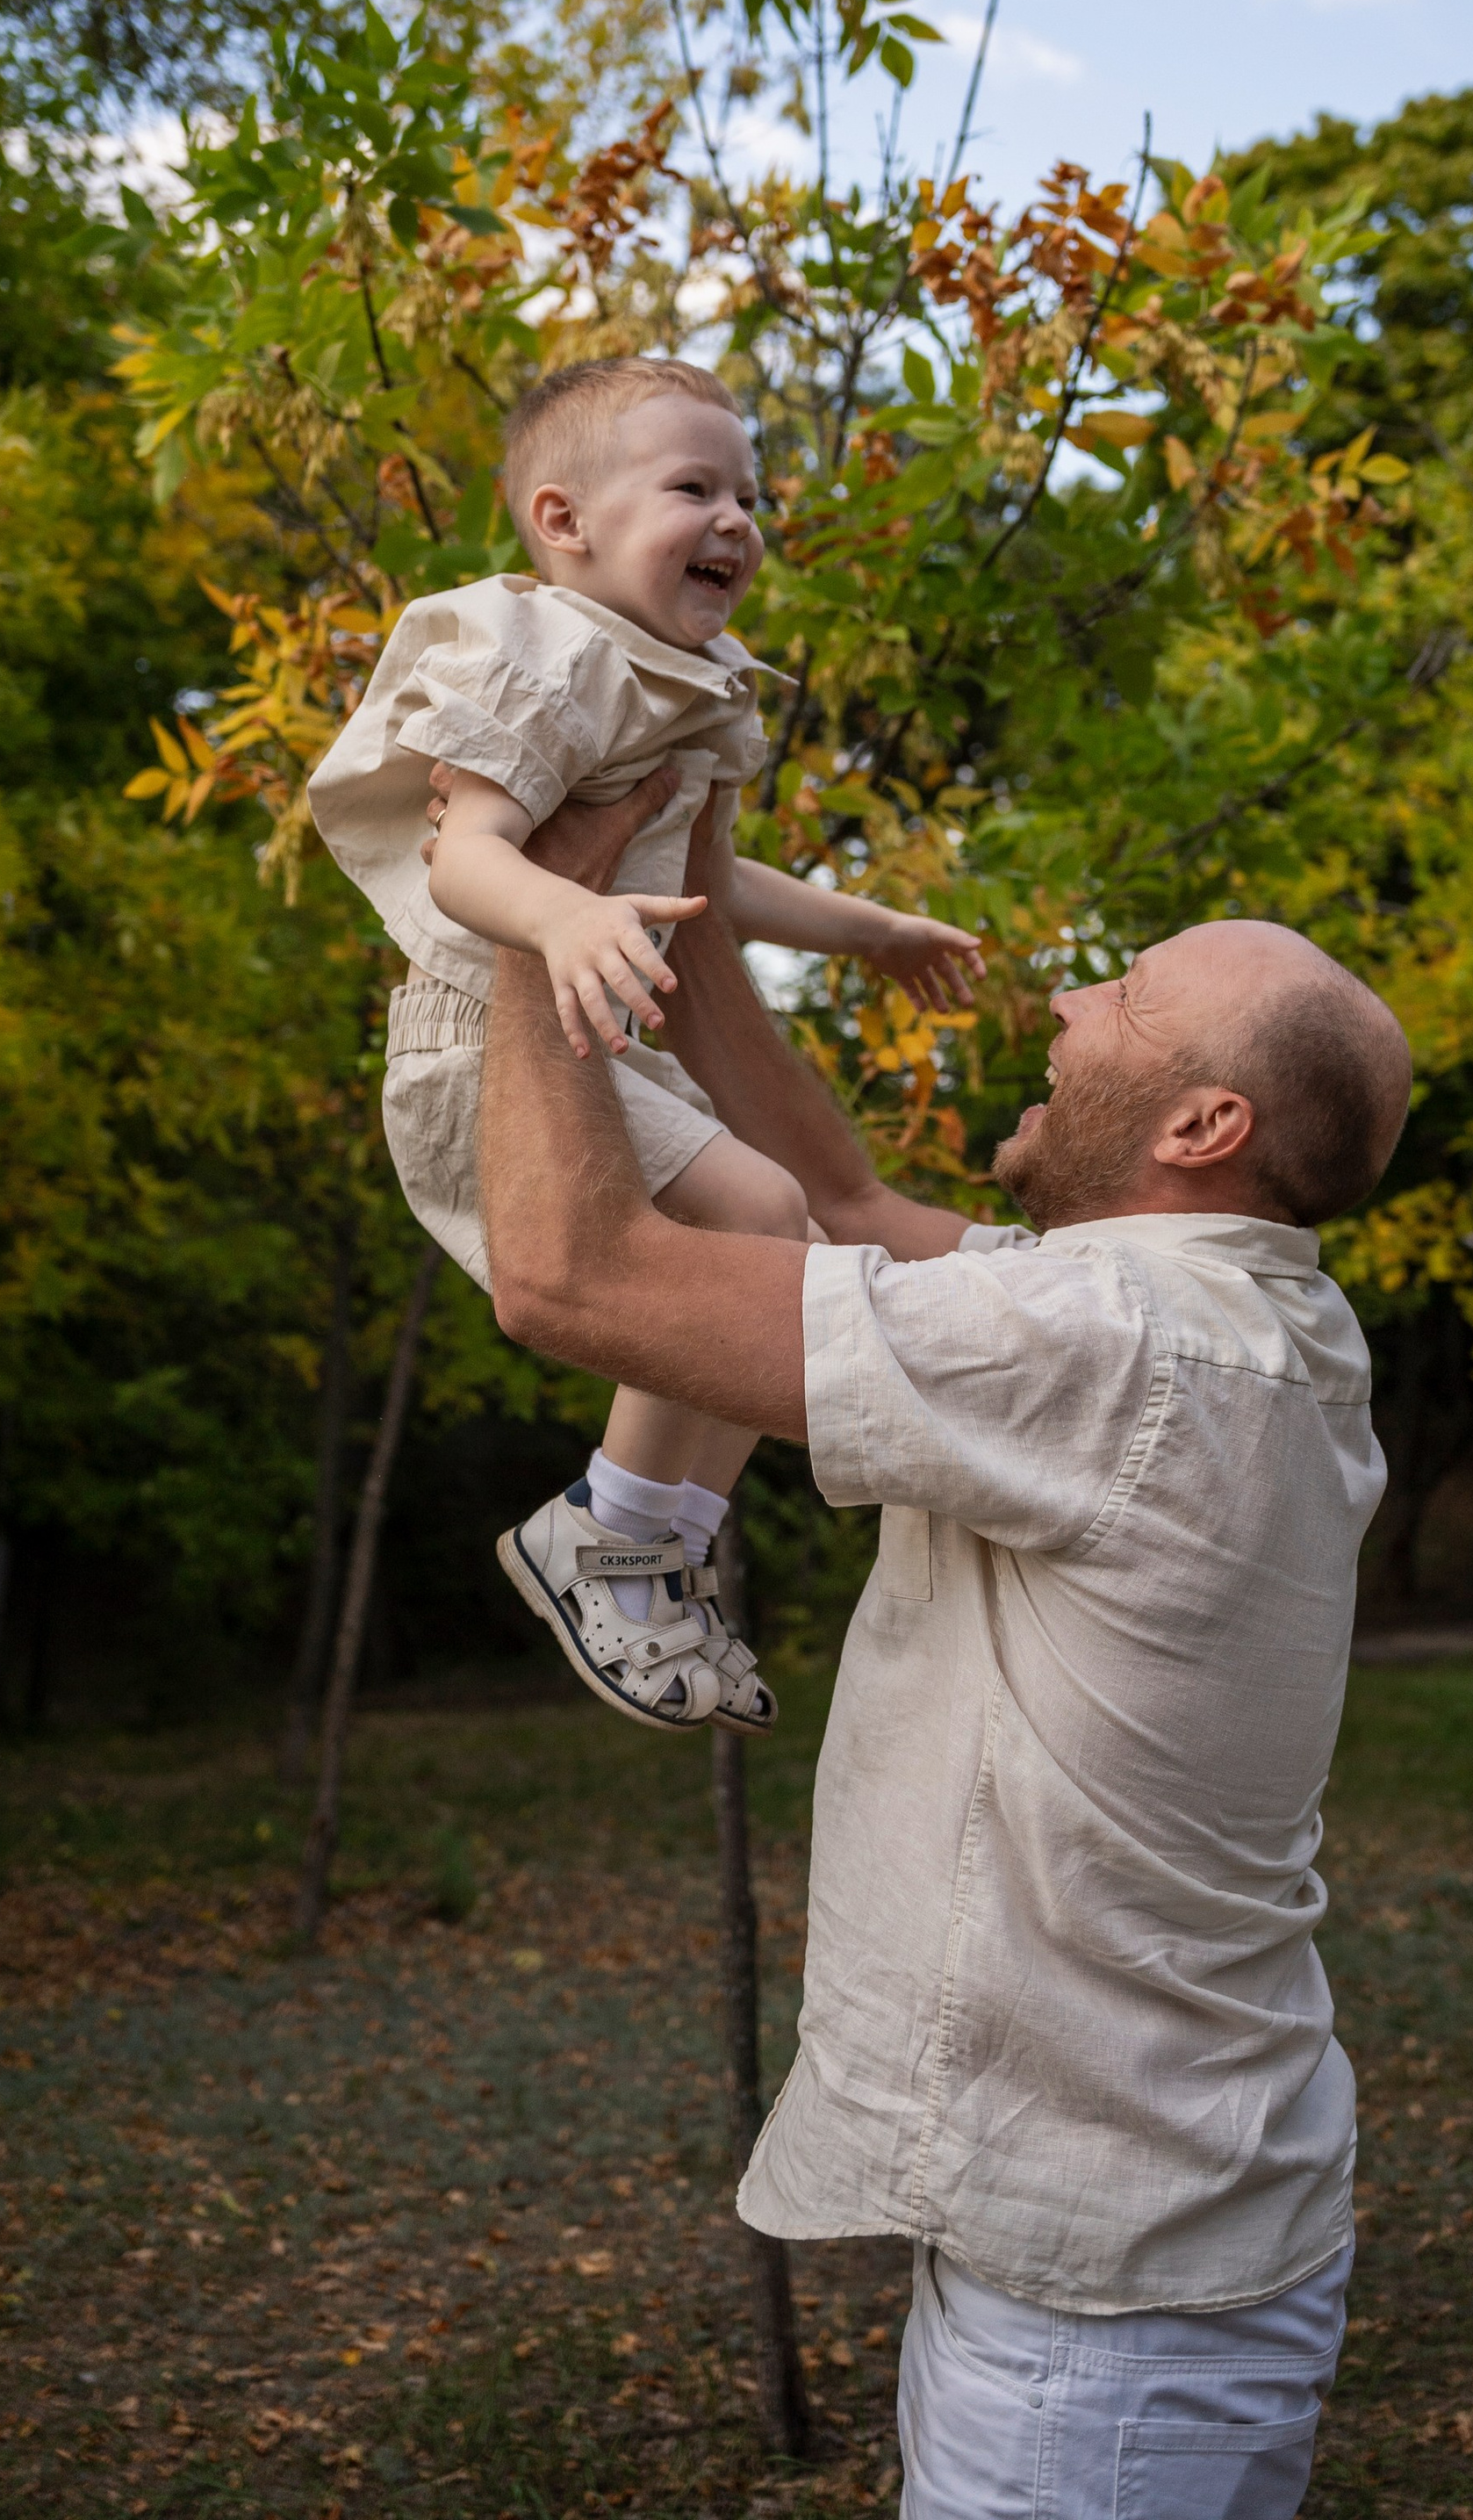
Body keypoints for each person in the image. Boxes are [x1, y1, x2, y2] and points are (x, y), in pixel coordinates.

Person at [473, 767, 1412, 2520]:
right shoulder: (1229, 1313)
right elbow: (832, 1201)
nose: (1064, 1001)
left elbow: (564, 1279)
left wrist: (529, 924)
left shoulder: (1112, 1348)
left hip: (1111, 2315)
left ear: (1199, 1123)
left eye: (1119, 996)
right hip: (1139, 2241)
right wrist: (678, 902)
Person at [305, 352, 982, 1737]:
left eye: (751, 492)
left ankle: (647, 1551)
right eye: (695, 488)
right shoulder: (535, 655)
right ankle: (612, 1539)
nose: (739, 518)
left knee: (777, 1238)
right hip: (492, 1035)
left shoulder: (690, 681)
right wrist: (560, 921)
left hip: (602, 1022)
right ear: (567, 521)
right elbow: (469, 861)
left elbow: (717, 883)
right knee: (762, 1213)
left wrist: (874, 929)